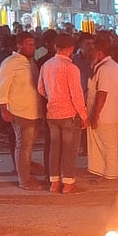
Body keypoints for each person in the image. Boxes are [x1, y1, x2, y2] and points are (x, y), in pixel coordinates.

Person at [38, 33, 88, 193]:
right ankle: (68, 183)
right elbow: (77, 94)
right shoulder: (71, 68)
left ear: (55, 47)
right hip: (69, 114)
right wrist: (84, 114)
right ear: (71, 49)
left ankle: (54, 182)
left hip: (52, 113)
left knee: (54, 149)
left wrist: (52, 97)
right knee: (69, 150)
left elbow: (40, 88)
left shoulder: (46, 65)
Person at [0, 32, 43, 190]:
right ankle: (24, 180)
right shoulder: (10, 62)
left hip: (34, 111)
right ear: (19, 45)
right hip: (20, 111)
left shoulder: (30, 62)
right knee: (23, 146)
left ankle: (26, 170)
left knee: (28, 146)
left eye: (33, 44)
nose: (32, 47)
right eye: (28, 44)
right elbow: (2, 87)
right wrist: (4, 109)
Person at [86, 34, 118, 180]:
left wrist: (95, 116)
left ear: (100, 52)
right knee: (108, 145)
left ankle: (111, 175)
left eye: (93, 51)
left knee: (109, 146)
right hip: (112, 113)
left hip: (105, 115)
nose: (91, 54)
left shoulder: (105, 69)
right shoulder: (113, 66)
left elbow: (102, 94)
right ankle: (106, 173)